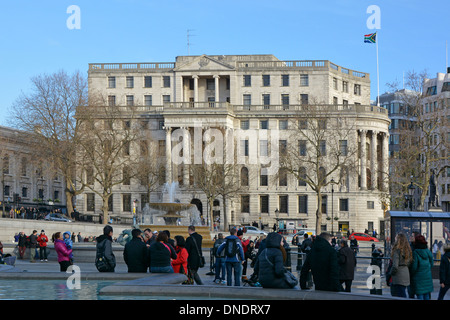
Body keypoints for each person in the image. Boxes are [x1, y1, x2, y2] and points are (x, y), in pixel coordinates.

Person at [410, 235, 434, 300]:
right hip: (427, 276)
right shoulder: (428, 251)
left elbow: (414, 267)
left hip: (418, 278)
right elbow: (432, 264)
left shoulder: (415, 253)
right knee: (426, 295)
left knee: (420, 294)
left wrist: (411, 274)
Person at [390, 233, 413, 298]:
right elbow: (409, 262)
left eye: (396, 237)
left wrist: (390, 273)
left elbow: (395, 266)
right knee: (403, 293)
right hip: (405, 273)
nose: (395, 238)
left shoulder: (396, 250)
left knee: (400, 294)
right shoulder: (407, 250)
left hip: (398, 276)